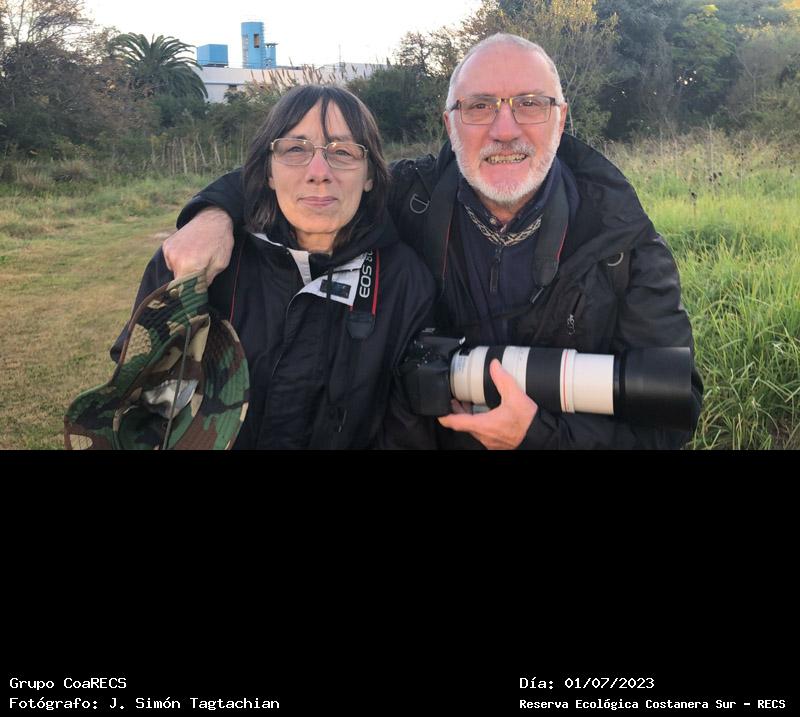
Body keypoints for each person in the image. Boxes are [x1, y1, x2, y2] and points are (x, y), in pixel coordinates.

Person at [160, 34, 704, 450]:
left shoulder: (623, 243)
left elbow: (670, 419)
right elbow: (312, 178)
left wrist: (539, 436)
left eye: (530, 103)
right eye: (479, 106)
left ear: (561, 119)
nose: (505, 129)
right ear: (449, 124)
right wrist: (212, 213)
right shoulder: (409, 198)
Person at [112, 85, 436, 449]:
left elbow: (404, 432)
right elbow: (140, 401)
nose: (319, 172)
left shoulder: (405, 282)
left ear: (370, 176)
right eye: (295, 149)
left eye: (343, 152)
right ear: (268, 171)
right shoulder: (198, 260)